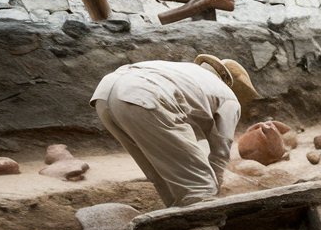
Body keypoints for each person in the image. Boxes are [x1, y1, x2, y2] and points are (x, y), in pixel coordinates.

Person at [91, 55, 257, 208]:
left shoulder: (185, 72)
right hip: (146, 96)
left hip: (104, 96)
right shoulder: (227, 96)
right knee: (200, 188)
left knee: (161, 177)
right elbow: (221, 148)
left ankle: (178, 227)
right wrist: (214, 182)